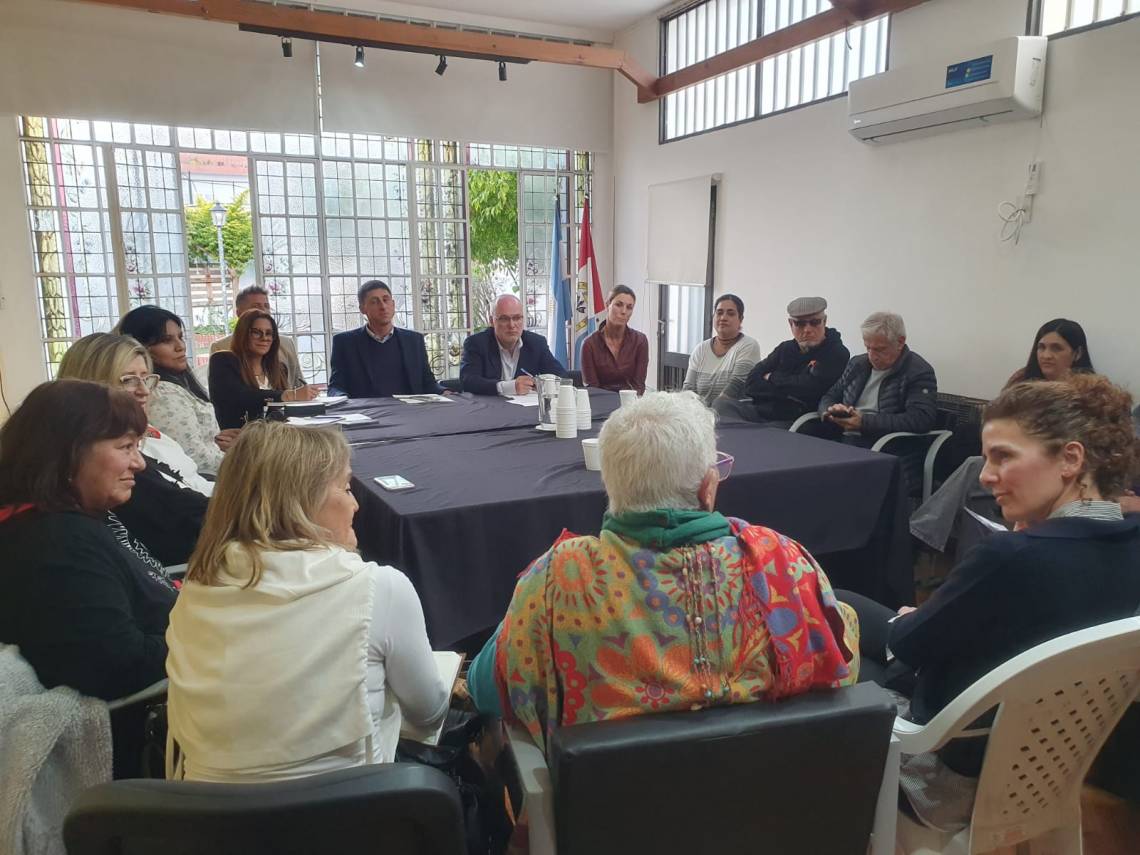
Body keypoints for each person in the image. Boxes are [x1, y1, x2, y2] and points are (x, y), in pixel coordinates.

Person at [466, 391, 859, 752]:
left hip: (607, 819)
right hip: (772, 814)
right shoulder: (784, 561)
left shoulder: (557, 578)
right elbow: (836, 672)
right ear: (708, 488)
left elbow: (487, 689)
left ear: (610, 484)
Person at [843, 374, 1140, 828]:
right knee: (846, 604)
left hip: (944, 772)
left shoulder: (1013, 557)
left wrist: (920, 615)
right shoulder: (1127, 545)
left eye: (1003, 456)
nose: (984, 476)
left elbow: (908, 645)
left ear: (1070, 459)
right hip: (1050, 769)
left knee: (830, 620)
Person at [166, 421, 449, 781]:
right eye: (346, 488)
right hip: (359, 819)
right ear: (303, 503)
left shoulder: (195, 590)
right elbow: (429, 713)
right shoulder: (379, 589)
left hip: (208, 828)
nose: (356, 504)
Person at [0, 380, 177, 777]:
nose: (140, 464)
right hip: (151, 737)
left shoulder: (76, 520)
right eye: (125, 447)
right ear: (68, 453)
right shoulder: (55, 542)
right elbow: (116, 666)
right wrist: (207, 637)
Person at [58, 333, 210, 566]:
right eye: (128, 380)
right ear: (91, 385)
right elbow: (184, 523)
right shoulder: (110, 464)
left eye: (146, 379)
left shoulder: (149, 438)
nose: (144, 391)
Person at [119, 305, 237, 476]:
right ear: (143, 347)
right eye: (167, 340)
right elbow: (194, 457)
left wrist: (213, 438)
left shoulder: (176, 384)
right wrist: (245, 458)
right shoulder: (163, 394)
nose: (180, 346)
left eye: (181, 337)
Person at [715, 296, 849, 426]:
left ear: (824, 321)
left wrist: (772, 377)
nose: (807, 329)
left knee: (758, 435)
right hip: (760, 411)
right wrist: (789, 390)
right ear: (791, 324)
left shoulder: (837, 353)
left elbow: (811, 391)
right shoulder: (785, 348)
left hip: (794, 420)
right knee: (720, 405)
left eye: (814, 322)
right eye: (800, 323)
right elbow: (751, 382)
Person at [816, 311, 938, 444]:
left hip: (883, 445)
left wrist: (864, 422)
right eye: (868, 348)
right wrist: (831, 411)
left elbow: (920, 419)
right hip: (841, 438)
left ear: (900, 342)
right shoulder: (857, 364)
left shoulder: (918, 371)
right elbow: (829, 396)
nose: (872, 356)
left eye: (880, 349)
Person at [326, 280, 445, 399]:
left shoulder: (414, 340)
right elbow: (336, 387)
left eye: (385, 300)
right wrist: (341, 398)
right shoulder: (345, 343)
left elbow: (428, 382)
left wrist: (444, 392)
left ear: (393, 304)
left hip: (411, 411)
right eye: (374, 302)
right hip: (368, 412)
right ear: (362, 309)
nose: (383, 306)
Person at [209, 310, 320, 428]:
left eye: (269, 333)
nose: (264, 338)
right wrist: (289, 395)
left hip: (277, 437)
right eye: (256, 332)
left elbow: (281, 413)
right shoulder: (222, 360)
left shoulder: (279, 368)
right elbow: (240, 396)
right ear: (243, 333)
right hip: (239, 438)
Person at [459, 294, 566, 396]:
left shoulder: (536, 343)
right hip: (488, 409)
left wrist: (542, 383)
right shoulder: (476, 343)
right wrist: (509, 387)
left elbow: (560, 376)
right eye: (504, 319)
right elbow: (468, 381)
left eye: (517, 318)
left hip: (527, 409)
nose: (512, 325)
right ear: (491, 321)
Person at [210, 284, 306, 389]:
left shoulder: (286, 343)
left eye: (266, 306)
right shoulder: (221, 348)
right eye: (256, 306)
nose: (263, 311)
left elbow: (299, 383)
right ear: (239, 313)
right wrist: (283, 396)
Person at [682, 294, 763, 406]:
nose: (723, 318)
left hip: (732, 417)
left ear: (740, 319)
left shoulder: (748, 346)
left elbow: (735, 387)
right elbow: (688, 390)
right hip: (699, 417)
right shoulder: (701, 349)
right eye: (719, 313)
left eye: (730, 314)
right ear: (713, 316)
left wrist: (707, 415)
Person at [579, 285, 649, 393]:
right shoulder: (589, 344)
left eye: (629, 307)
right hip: (600, 404)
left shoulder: (640, 341)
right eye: (619, 305)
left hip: (630, 404)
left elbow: (638, 386)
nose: (624, 311)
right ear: (607, 305)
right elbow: (592, 389)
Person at [1005, 318, 1094, 387]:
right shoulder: (1018, 386)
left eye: (1056, 348)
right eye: (1041, 347)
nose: (1046, 355)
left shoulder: (1092, 397)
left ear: (1077, 353)